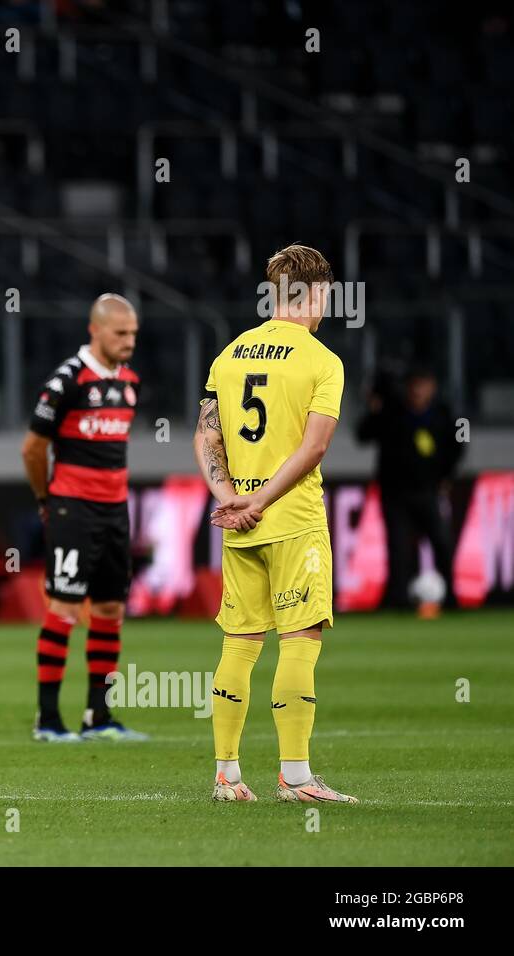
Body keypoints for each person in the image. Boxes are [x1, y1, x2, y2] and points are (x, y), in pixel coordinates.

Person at [195, 243, 357, 805]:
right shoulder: (322, 360)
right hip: (291, 520)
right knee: (299, 640)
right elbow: (314, 448)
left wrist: (231, 497)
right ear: (316, 293)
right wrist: (261, 499)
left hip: (238, 523)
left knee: (239, 644)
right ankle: (295, 778)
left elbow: (206, 434)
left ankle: (227, 777)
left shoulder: (231, 352)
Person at [21, 293, 148, 742]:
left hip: (116, 510)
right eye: (120, 333)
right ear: (95, 330)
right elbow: (33, 449)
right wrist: (46, 497)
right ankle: (49, 720)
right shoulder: (66, 381)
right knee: (66, 608)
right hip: (72, 508)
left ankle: (99, 717)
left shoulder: (129, 381)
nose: (129, 341)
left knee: (111, 609)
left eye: (133, 333)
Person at [355, 367, 463, 611]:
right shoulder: (392, 413)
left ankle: (452, 597)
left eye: (423, 384)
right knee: (398, 547)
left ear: (432, 387)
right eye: (413, 384)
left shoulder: (443, 415)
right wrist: (374, 407)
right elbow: (363, 435)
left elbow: (458, 446)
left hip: (429, 490)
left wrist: (446, 476)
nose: (417, 390)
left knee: (441, 542)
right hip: (396, 493)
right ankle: (397, 599)